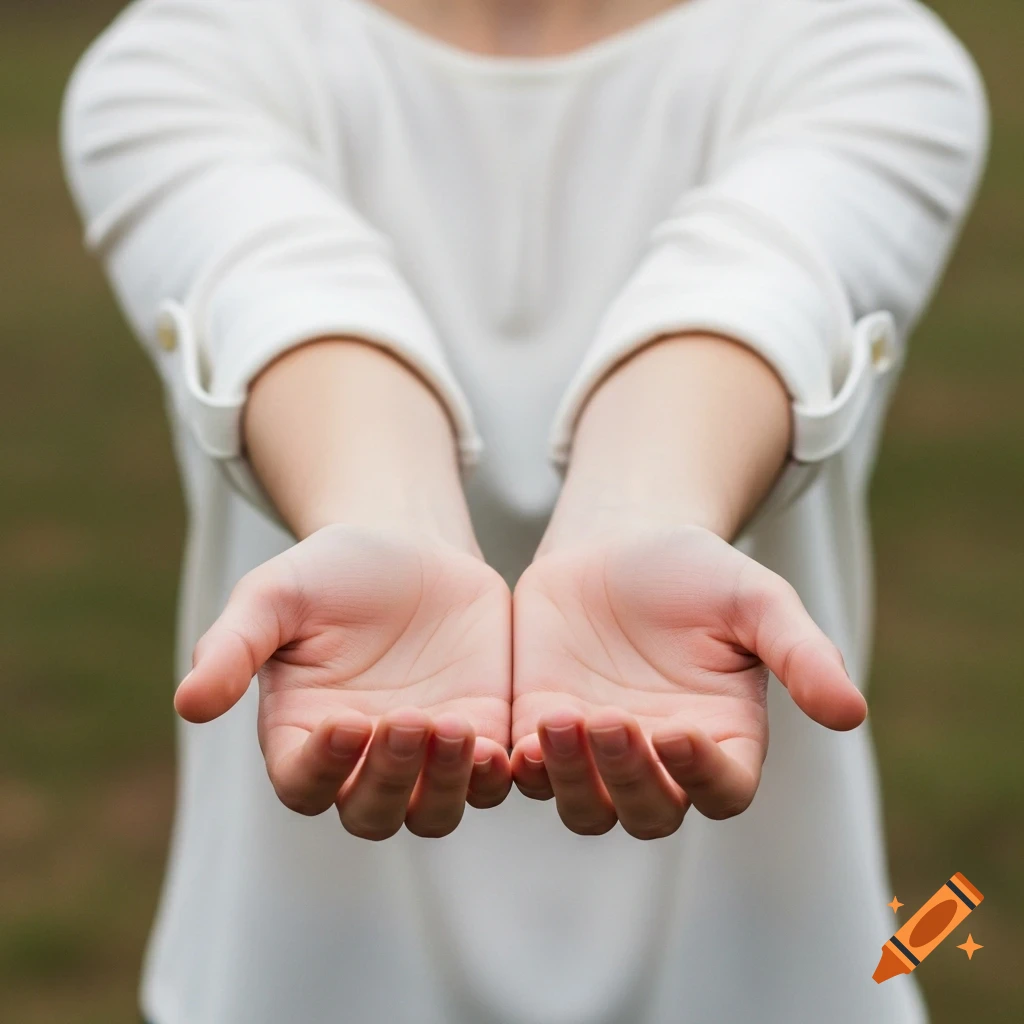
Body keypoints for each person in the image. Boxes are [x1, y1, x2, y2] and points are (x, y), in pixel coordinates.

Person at [60, 0, 988, 1021]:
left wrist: (640, 512)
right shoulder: (189, 51)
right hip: (314, 970)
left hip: (749, 972)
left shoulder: (859, 49)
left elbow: (756, 283)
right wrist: (384, 515)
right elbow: (283, 288)